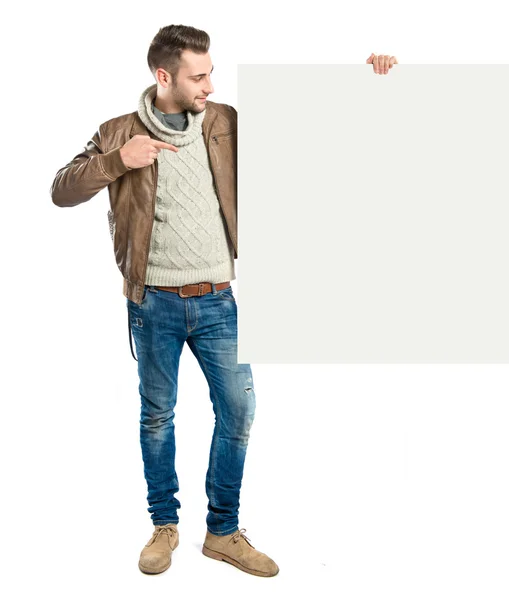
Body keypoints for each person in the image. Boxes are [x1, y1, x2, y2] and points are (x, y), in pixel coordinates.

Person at [50, 23, 396, 577]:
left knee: (239, 411)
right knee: (157, 416)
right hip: (152, 303)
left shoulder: (225, 123)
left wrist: (366, 80)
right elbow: (61, 189)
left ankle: (223, 531)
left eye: (210, 72)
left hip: (218, 302)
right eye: (199, 75)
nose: (210, 84)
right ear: (164, 77)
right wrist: (118, 161)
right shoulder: (118, 132)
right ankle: (164, 526)